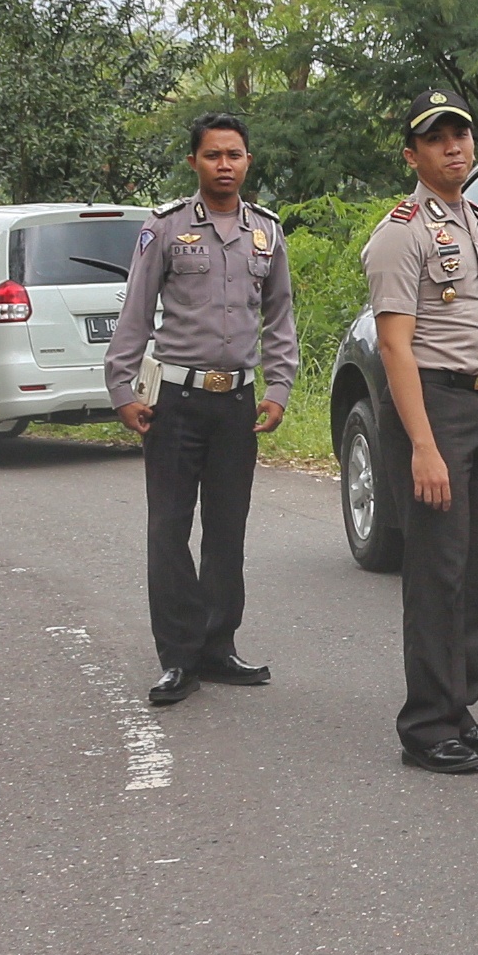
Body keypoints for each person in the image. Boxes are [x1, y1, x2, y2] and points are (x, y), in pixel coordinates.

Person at [361, 90, 478, 776]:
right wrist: (423, 445)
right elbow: (396, 347)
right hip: (428, 406)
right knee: (435, 572)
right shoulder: (400, 232)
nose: (454, 146)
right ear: (413, 154)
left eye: (460, 134)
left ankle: (459, 707)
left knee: (472, 570)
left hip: (475, 406)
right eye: (437, 139)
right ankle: (426, 725)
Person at [103, 113, 298, 708]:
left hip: (236, 402)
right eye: (213, 155)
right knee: (168, 529)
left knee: (226, 529)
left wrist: (279, 388)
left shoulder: (265, 233)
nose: (224, 165)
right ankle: (179, 657)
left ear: (247, 161)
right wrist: (123, 390)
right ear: (194, 162)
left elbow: (280, 317)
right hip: (175, 403)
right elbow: (135, 313)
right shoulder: (163, 230)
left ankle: (218, 647)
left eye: (234, 155)